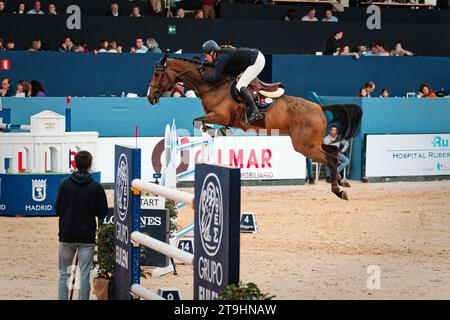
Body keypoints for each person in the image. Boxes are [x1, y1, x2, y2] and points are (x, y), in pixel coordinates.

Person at [55, 151, 108, 300]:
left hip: (66, 234)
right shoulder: (96, 187)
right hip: (86, 237)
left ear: (74, 164)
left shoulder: (64, 184)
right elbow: (102, 213)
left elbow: (57, 209)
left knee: (64, 273)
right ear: (90, 166)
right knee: (84, 275)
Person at [199, 40, 264, 123]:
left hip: (257, 61)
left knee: (240, 85)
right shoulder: (220, 56)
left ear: (212, 53)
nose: (205, 58)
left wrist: (203, 74)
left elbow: (215, 78)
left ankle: (256, 112)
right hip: (253, 56)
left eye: (206, 55)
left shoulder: (221, 58)